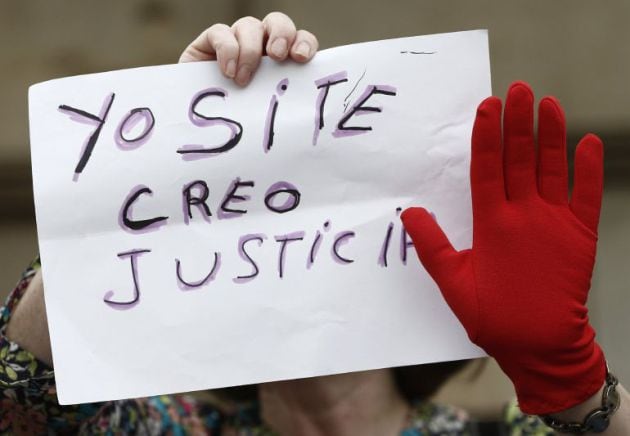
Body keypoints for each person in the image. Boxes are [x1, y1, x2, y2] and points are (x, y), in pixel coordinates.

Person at [1, 12, 628, 435]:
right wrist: (158, 160)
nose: (286, 240)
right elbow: (17, 396)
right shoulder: (165, 427)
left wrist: (573, 386)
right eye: (248, 209)